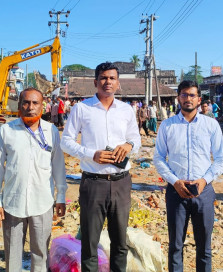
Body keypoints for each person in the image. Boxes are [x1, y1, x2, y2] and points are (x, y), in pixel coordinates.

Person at [60, 62, 141, 271]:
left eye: (112, 78)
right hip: (93, 182)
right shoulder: (82, 108)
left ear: (118, 83)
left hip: (121, 182)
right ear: (96, 82)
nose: (108, 82)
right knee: (89, 242)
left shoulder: (126, 110)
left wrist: (128, 145)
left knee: (120, 241)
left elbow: (136, 139)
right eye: (104, 78)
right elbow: (66, 141)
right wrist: (91, 154)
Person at [0, 87, 67, 272]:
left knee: (40, 253)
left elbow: (58, 166)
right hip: (13, 204)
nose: (30, 107)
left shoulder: (51, 131)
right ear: (19, 105)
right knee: (13, 255)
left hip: (43, 202)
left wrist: (61, 196)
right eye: (26, 102)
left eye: (35, 103)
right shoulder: (6, 130)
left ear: (42, 106)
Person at [153, 80, 223, 272]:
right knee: (176, 246)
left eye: (192, 95)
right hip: (176, 192)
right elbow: (159, 158)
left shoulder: (210, 125)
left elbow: (220, 159)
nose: (188, 98)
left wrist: (204, 181)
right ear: (178, 97)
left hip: (204, 192)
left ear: (199, 99)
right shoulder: (167, 126)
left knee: (204, 247)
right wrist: (174, 181)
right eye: (184, 94)